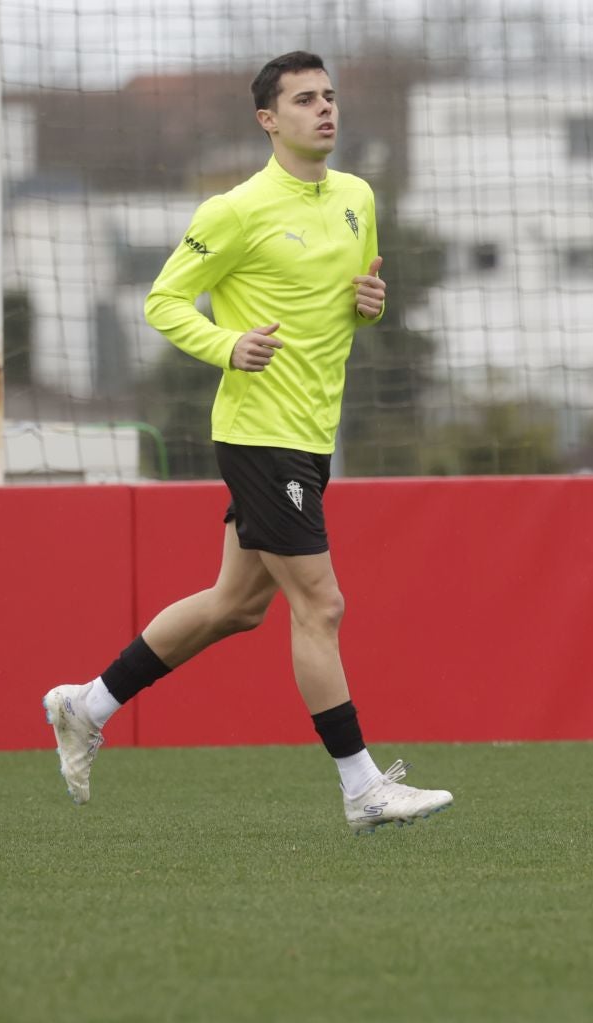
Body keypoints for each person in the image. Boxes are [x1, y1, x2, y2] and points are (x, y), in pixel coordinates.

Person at [43, 50, 452, 834]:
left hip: (308, 434)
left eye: (329, 96)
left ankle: (84, 707)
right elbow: (163, 303)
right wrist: (229, 347)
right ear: (268, 120)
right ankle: (362, 788)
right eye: (304, 100)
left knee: (234, 607)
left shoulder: (358, 197)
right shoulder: (234, 210)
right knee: (321, 605)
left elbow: (345, 307)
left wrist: (369, 304)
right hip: (258, 433)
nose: (324, 110)